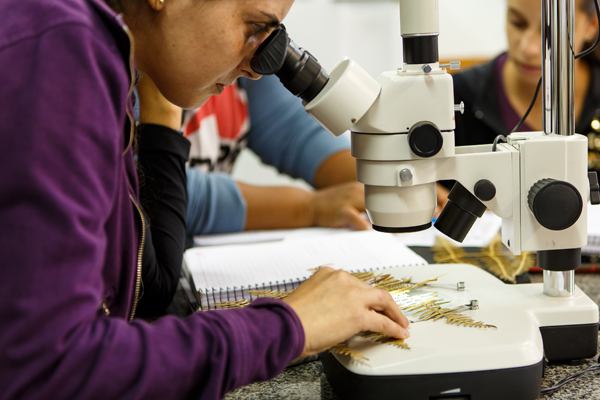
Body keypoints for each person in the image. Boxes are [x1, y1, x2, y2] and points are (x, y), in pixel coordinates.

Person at [0, 1, 410, 399]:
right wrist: (289, 327)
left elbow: (144, 287)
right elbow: (54, 367)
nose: (258, 66)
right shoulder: (60, 47)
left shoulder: (102, 51)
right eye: (254, 29)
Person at [183, 74, 370, 237]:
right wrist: (311, 208)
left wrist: (380, 182)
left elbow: (294, 131)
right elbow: (167, 189)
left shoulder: (244, 75)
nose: (257, 72)